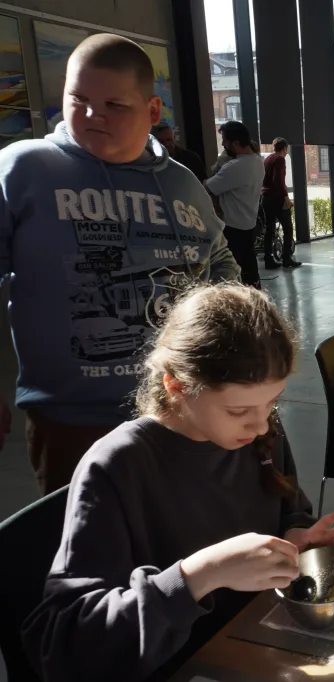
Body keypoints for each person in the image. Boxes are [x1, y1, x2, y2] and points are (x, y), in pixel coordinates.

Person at [21, 283, 334, 681]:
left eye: (273, 402)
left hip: (254, 645)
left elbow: (290, 511)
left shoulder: (257, 432)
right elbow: (69, 649)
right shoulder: (118, 466)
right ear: (177, 386)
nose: (260, 424)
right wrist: (197, 576)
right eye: (237, 410)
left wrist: (295, 535)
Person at [0, 33, 239, 494]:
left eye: (114, 104)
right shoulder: (23, 169)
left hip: (179, 411)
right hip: (73, 422)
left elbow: (220, 260)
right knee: (83, 537)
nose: (93, 115)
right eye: (79, 99)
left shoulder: (182, 183)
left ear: (152, 110)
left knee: (182, 533)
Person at [206, 121, 265, 288]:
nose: (223, 144)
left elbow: (207, 187)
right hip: (248, 224)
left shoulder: (235, 167)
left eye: (225, 140)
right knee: (249, 268)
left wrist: (220, 164)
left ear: (236, 143)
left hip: (232, 228)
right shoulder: (257, 161)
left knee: (231, 273)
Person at [260, 137, 300, 269]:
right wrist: (285, 197)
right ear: (284, 148)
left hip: (265, 197)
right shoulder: (280, 159)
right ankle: (286, 258)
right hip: (277, 198)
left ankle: (268, 259)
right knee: (288, 228)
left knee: (269, 229)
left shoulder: (267, 159)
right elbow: (278, 180)